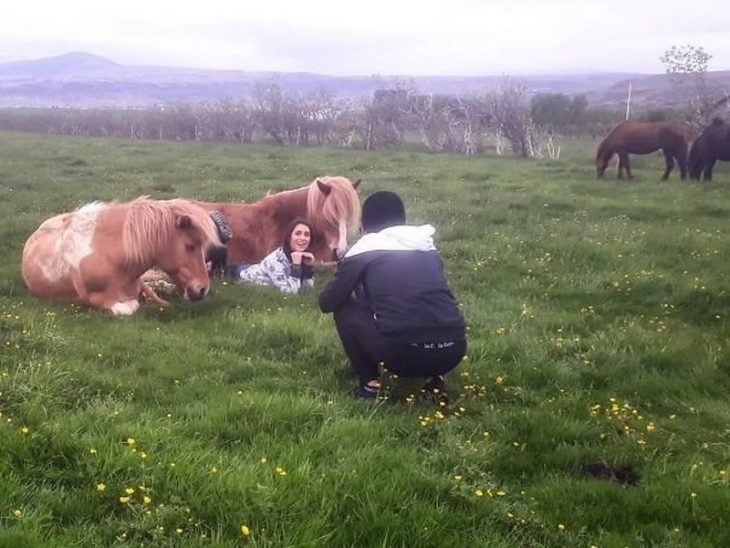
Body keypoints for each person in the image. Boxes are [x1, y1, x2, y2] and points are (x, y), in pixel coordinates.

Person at [319, 191, 466, 401]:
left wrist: (344, 271)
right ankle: (434, 380)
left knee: (344, 307)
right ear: (403, 221)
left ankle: (370, 386)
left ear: (364, 225)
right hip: (454, 351)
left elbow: (327, 302)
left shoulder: (365, 248)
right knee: (425, 303)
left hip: (402, 356)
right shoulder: (426, 246)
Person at [228, 218, 315, 294]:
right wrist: (296, 267)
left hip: (257, 267)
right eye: (298, 233)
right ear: (289, 238)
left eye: (307, 235)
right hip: (243, 274)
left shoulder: (300, 256)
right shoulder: (276, 261)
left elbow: (307, 290)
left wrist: (308, 268)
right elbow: (290, 293)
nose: (303, 238)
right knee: (223, 271)